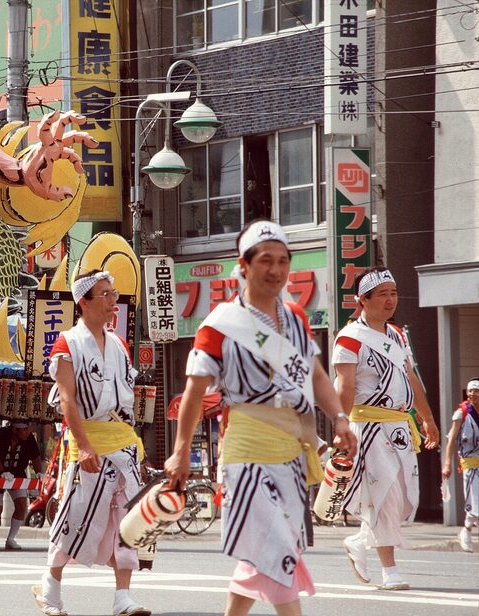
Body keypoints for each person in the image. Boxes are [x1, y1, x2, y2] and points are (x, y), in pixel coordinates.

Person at [164, 221, 357, 616]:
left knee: (267, 550)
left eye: (283, 261)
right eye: (266, 260)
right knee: (275, 546)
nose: (276, 270)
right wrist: (180, 452)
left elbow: (317, 375)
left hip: (292, 450)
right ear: (245, 265)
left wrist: (339, 418)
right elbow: (195, 393)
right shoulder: (220, 324)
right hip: (246, 448)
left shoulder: (297, 318)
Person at [36, 269, 148, 616]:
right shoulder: (68, 342)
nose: (114, 301)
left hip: (123, 444)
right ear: (84, 301)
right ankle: (49, 588)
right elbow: (67, 400)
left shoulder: (118, 343)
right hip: (88, 440)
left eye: (114, 294)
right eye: (106, 294)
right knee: (76, 516)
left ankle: (122, 597)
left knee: (128, 522)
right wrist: (83, 445)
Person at [333, 266, 439, 591]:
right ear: (362, 300)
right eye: (382, 294)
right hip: (368, 425)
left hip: (400, 427)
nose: (390, 299)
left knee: (405, 497)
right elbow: (344, 386)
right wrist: (341, 427)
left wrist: (428, 419)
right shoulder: (349, 337)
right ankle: (389, 570)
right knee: (385, 496)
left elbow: (410, 378)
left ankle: (359, 541)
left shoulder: (397, 334)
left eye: (393, 292)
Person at [0, 421, 42, 551]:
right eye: (24, 429)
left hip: (18, 474)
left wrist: (38, 473)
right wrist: (2, 472)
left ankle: (11, 539)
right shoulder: (1, 435)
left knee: (21, 505)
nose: (27, 432)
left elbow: (36, 457)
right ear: (15, 430)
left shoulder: (29, 438)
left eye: (28, 429)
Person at [442, 378, 479, 553]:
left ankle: (467, 529)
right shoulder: (461, 414)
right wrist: (447, 464)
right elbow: (451, 440)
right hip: (470, 465)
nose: (473, 394)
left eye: (476, 391)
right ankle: (466, 530)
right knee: (475, 502)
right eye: (470, 391)